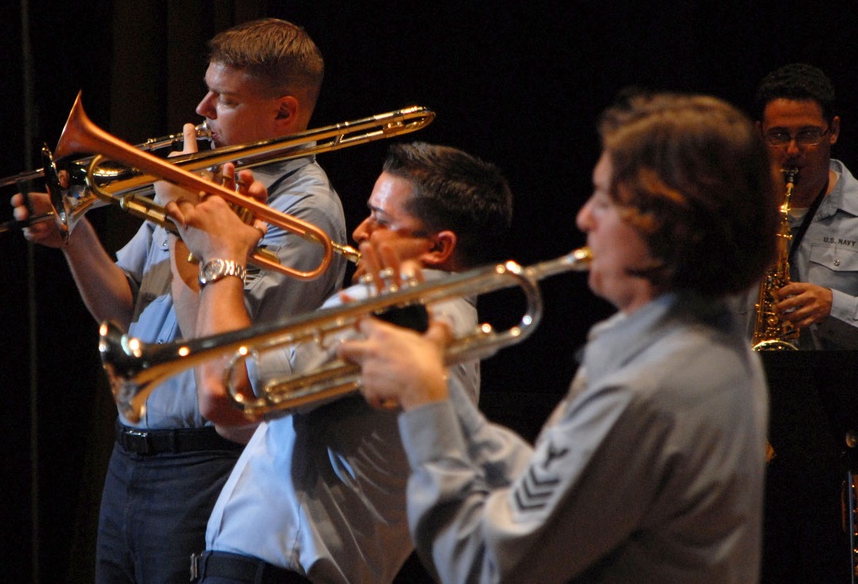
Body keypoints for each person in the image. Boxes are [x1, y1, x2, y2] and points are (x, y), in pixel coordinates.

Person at [339, 92, 778, 583]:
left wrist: (424, 404)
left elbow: (482, 566)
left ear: (666, 224)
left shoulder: (650, 388)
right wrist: (436, 386)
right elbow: (556, 486)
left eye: (605, 200)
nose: (583, 218)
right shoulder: (707, 345)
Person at [10, 18, 348, 583]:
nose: (201, 109)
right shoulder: (201, 177)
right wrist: (73, 235)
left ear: (284, 114)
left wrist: (183, 224)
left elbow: (216, 359)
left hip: (206, 462)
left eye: (226, 99)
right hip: (130, 458)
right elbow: (122, 308)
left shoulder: (306, 210)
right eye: (208, 89)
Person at [162, 142, 514, 583]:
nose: (361, 232)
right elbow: (236, 421)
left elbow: (221, 390)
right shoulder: (454, 323)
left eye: (381, 220)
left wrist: (224, 257)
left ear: (438, 248)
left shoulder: (388, 309)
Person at [751, 62, 858, 350]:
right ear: (760, 134)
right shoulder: (733, 214)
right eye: (779, 135)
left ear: (832, 131)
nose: (793, 151)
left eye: (808, 135)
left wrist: (834, 307)